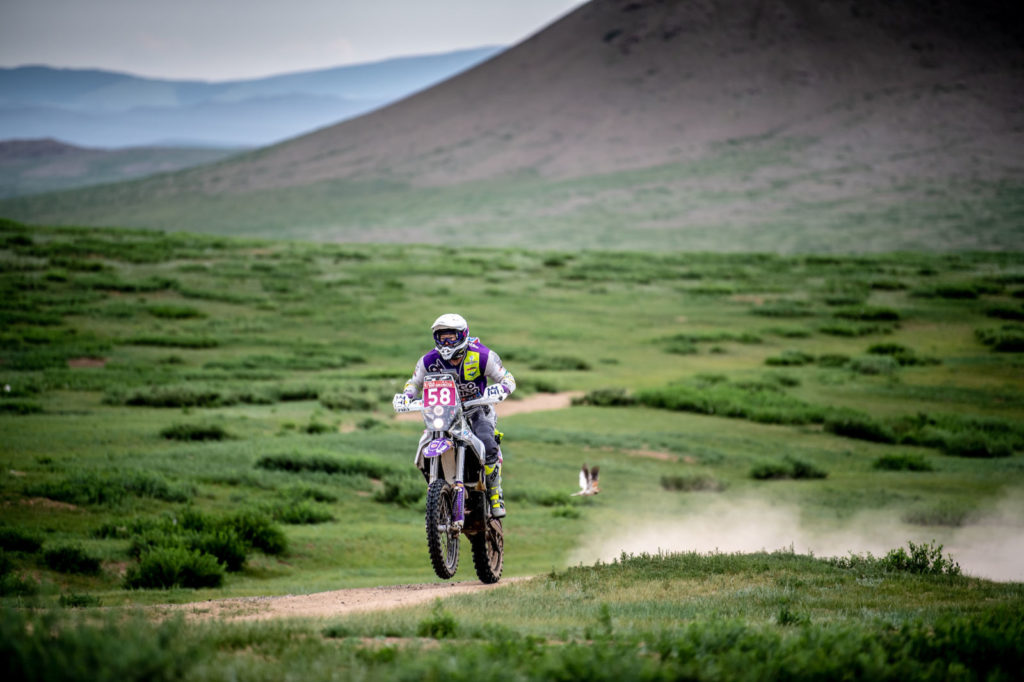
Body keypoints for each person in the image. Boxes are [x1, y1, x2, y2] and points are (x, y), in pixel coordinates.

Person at [400, 313, 516, 518]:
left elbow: (507, 378)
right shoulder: (429, 360)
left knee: (489, 444)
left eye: (450, 337)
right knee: (424, 445)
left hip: (476, 409)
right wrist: (407, 395)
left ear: (462, 335)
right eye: (441, 337)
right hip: (443, 413)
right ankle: (439, 492)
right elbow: (414, 382)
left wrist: (501, 389)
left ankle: (495, 493)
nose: (445, 342)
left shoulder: (481, 355)